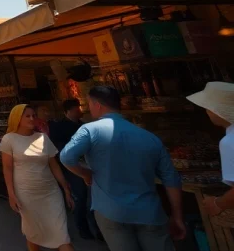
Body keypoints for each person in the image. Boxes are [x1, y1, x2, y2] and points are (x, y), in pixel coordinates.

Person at [61, 86, 184, 251]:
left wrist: (85, 174)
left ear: (97, 105)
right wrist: (177, 216)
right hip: (149, 212)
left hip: (112, 212)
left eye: (89, 104)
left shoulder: (90, 130)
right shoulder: (149, 137)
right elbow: (172, 180)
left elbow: (66, 157)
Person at [0, 104, 74, 251]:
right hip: (26, 194)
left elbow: (54, 165)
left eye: (34, 115)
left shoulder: (43, 138)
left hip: (51, 193)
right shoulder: (9, 139)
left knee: (62, 235)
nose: (32, 118)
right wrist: (11, 194)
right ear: (17, 118)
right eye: (27, 116)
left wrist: (65, 188)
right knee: (33, 234)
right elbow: (7, 169)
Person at [49, 99, 97, 240]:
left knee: (91, 198)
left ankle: (96, 228)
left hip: (87, 165)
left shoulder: (84, 126)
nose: (79, 111)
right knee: (80, 196)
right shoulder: (59, 127)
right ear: (68, 111)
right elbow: (58, 149)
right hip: (70, 166)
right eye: (76, 108)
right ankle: (83, 228)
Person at [187, 82, 234, 217]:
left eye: (208, 108)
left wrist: (217, 204)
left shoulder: (229, 141)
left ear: (217, 111)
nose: (207, 112)